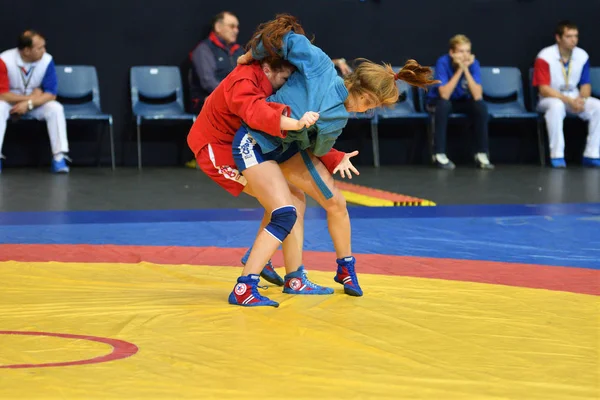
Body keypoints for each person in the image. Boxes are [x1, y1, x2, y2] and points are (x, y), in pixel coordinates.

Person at [231, 14, 437, 307]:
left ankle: (305, 274)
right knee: (291, 208)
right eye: (370, 104)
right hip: (256, 141)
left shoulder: (334, 108)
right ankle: (251, 277)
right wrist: (250, 55)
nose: (365, 111)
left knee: (301, 203)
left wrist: (333, 155)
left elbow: (314, 146)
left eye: (372, 109)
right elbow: (287, 40)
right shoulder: (322, 71)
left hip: (281, 147)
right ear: (361, 87)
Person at [187, 19, 360, 307]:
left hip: (242, 142)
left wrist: (331, 154)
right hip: (216, 149)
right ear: (268, 66)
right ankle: (247, 281)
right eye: (283, 80)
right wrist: (295, 121)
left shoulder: (268, 74)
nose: (285, 86)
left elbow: (298, 132)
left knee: (294, 199)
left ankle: (294, 277)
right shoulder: (244, 79)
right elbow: (259, 115)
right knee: (282, 209)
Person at [0, 30, 70, 173]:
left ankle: (59, 158)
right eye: (40, 48)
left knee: (55, 108)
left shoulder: (47, 60)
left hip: (35, 103)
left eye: (44, 47)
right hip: (10, 101)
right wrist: (30, 98)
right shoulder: (4, 60)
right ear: (26, 50)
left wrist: (30, 104)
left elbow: (50, 94)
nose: (44, 51)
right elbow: (2, 95)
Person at [533, 20, 600, 168]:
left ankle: (592, 154)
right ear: (558, 38)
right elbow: (543, 89)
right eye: (569, 36)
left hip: (574, 97)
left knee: (598, 106)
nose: (573, 40)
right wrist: (568, 101)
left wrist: (581, 99)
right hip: (550, 98)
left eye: (575, 36)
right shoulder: (544, 56)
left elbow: (585, 84)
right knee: (556, 106)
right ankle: (557, 155)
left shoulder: (582, 55)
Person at [426, 34, 493, 170]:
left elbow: (477, 95)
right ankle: (439, 154)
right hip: (439, 102)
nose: (465, 56)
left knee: (480, 106)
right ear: (452, 53)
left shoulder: (473, 63)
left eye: (468, 51)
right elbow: (444, 94)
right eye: (461, 51)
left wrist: (466, 69)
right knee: (444, 105)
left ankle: (481, 153)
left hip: (460, 101)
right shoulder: (443, 62)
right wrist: (459, 71)